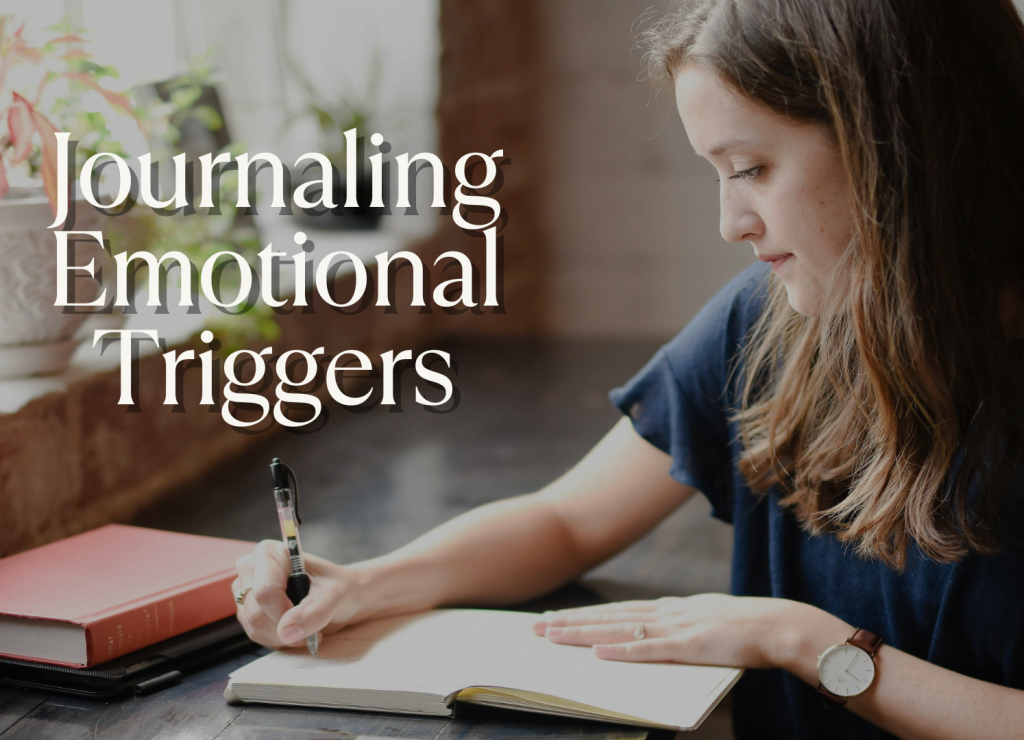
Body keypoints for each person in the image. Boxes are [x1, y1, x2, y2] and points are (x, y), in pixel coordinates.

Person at [232, 0, 1024, 737]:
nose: (729, 224)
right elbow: (566, 521)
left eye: (749, 167)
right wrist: (366, 585)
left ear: (900, 145)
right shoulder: (771, 320)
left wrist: (802, 640)